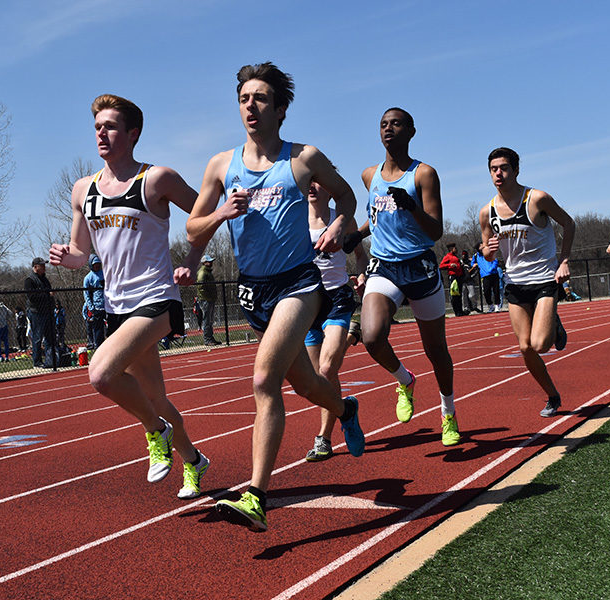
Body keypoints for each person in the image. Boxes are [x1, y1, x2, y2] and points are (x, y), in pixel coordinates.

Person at [186, 62, 365, 531]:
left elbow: (347, 198)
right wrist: (222, 211)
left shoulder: (302, 158)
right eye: (244, 98)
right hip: (253, 291)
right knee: (305, 385)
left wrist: (339, 224)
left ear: (280, 109)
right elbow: (192, 227)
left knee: (265, 379)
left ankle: (256, 495)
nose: (251, 105)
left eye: (261, 98)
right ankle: (345, 408)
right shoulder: (221, 166)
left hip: (300, 284)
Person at [49, 93, 210, 500]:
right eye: (97, 127)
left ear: (133, 133)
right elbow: (83, 253)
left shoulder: (156, 179)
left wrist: (192, 258)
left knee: (101, 374)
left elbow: (205, 215)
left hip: (157, 297)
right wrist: (67, 258)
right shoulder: (83, 190)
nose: (101, 134)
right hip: (117, 305)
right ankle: (192, 459)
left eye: (111, 127)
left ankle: (156, 431)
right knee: (155, 397)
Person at [344, 107, 460, 447]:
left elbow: (435, 230)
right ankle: (404, 380)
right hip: (385, 266)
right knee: (372, 336)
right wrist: (359, 234)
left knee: (436, 349)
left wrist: (411, 205)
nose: (388, 129)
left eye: (396, 124)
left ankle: (448, 412)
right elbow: (379, 214)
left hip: (420, 266)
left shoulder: (424, 174)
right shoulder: (369, 175)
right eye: (383, 124)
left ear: (411, 131)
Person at [479, 147, 575, 418]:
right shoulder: (487, 212)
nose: (498, 173)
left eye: (504, 168)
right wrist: (490, 250)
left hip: (544, 278)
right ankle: (552, 395)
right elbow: (486, 250)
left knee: (541, 344)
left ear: (516, 170)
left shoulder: (537, 199)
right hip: (514, 283)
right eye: (493, 169)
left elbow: (569, 224)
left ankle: (553, 324)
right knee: (525, 347)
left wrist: (564, 261)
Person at [303, 180, 369, 462]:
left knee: (327, 368)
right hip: (306, 303)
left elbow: (360, 254)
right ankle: (347, 410)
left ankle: (324, 438)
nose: (312, 186)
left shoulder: (343, 219)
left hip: (337, 298)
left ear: (331, 187)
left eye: (319, 181)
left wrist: (363, 274)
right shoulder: (294, 217)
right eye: (308, 180)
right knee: (317, 380)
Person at [24, 257, 55, 367]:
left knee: (50, 337)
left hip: (48, 311)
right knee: (37, 338)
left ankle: (50, 360)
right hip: (36, 312)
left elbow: (50, 292)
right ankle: (37, 361)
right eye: (41, 265)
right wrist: (46, 295)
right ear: (35, 267)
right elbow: (32, 297)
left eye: (44, 265)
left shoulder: (45, 279)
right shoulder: (30, 280)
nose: (44, 267)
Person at [83, 254, 106, 349]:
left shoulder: (105, 273)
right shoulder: (88, 278)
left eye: (98, 264)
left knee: (112, 328)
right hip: (97, 307)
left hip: (109, 306)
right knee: (98, 330)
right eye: (94, 264)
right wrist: (91, 307)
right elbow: (86, 294)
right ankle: (99, 347)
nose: (96, 266)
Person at [196, 255, 221, 345]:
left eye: (211, 261)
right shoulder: (202, 272)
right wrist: (207, 296)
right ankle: (207, 339)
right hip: (205, 299)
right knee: (207, 319)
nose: (211, 263)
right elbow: (201, 286)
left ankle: (210, 338)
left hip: (210, 299)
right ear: (204, 262)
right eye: (209, 261)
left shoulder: (208, 272)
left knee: (210, 320)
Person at [439, 243, 465, 317]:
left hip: (459, 277)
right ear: (451, 249)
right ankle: (457, 311)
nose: (456, 249)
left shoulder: (455, 257)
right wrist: (449, 265)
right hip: (453, 277)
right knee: (454, 294)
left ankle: (460, 310)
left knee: (459, 294)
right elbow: (441, 265)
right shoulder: (448, 257)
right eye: (455, 248)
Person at [473, 243, 500, 312]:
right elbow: (472, 263)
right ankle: (491, 306)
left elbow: (495, 261)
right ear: (478, 249)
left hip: (493, 274)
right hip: (485, 276)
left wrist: (492, 268)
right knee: (486, 291)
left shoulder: (489, 252)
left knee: (496, 291)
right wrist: (474, 264)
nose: (483, 248)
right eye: (481, 247)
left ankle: (497, 305)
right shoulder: (476, 256)